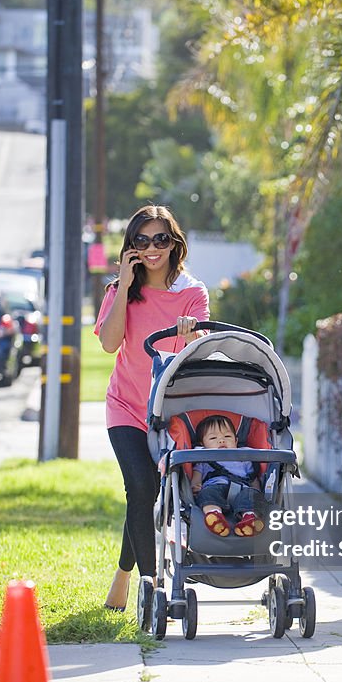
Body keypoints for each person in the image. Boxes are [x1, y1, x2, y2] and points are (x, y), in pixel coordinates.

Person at [95, 205, 210, 611]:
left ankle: (124, 574)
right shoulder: (119, 291)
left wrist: (190, 332)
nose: (152, 248)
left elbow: (198, 355)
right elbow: (110, 344)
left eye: (161, 239)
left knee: (152, 495)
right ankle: (151, 585)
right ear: (131, 248)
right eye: (142, 241)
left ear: (174, 243)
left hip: (169, 411)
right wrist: (124, 286)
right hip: (125, 405)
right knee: (141, 488)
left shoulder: (193, 293)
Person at [190, 414, 266, 537]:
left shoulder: (245, 455)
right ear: (203, 444)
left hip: (243, 488)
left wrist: (257, 492)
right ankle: (214, 515)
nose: (221, 440)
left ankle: (249, 519)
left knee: (252, 496)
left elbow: (253, 478)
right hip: (215, 485)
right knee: (207, 494)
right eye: (213, 438)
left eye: (227, 436)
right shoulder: (202, 457)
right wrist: (195, 486)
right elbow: (196, 477)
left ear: (236, 441)